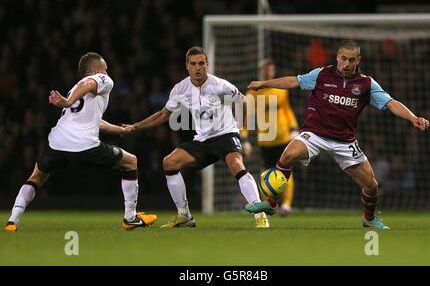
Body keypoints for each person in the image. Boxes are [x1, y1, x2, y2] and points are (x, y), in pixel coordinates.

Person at [245, 40, 430, 229]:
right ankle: (272, 203)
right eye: (343, 58)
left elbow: (391, 103)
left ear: (358, 60)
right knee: (287, 156)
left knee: (372, 185)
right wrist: (264, 83)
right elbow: (294, 80)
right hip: (315, 135)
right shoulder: (322, 74)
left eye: (351, 60)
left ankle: (369, 218)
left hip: (344, 142)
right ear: (337, 57)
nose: (346, 64)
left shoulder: (366, 84)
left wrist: (413, 118)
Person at [4, 52, 157, 232]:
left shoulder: (74, 89)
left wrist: (120, 130)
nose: (108, 73)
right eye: (106, 69)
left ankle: (13, 220)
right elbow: (89, 83)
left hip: (57, 143)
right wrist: (68, 102)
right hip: (84, 145)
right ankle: (130, 218)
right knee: (131, 162)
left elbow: (93, 121)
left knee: (36, 177)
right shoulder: (101, 80)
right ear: (97, 70)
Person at [127, 46, 270, 228]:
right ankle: (184, 215)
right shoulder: (180, 88)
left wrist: (244, 135)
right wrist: (137, 126)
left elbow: (243, 101)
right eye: (193, 64)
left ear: (207, 65)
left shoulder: (220, 85)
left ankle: (260, 214)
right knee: (169, 162)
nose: (197, 68)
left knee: (236, 165)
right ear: (187, 66)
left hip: (226, 134)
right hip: (202, 140)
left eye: (201, 63)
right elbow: (164, 114)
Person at [241, 58, 299, 216]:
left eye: (271, 69)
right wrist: (244, 138)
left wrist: (294, 127)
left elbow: (287, 110)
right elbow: (246, 118)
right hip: (266, 140)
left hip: (283, 136)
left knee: (286, 171)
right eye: (265, 70)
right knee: (265, 174)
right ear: (261, 72)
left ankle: (286, 205)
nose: (268, 72)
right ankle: (269, 204)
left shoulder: (281, 90)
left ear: (273, 71)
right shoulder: (252, 93)